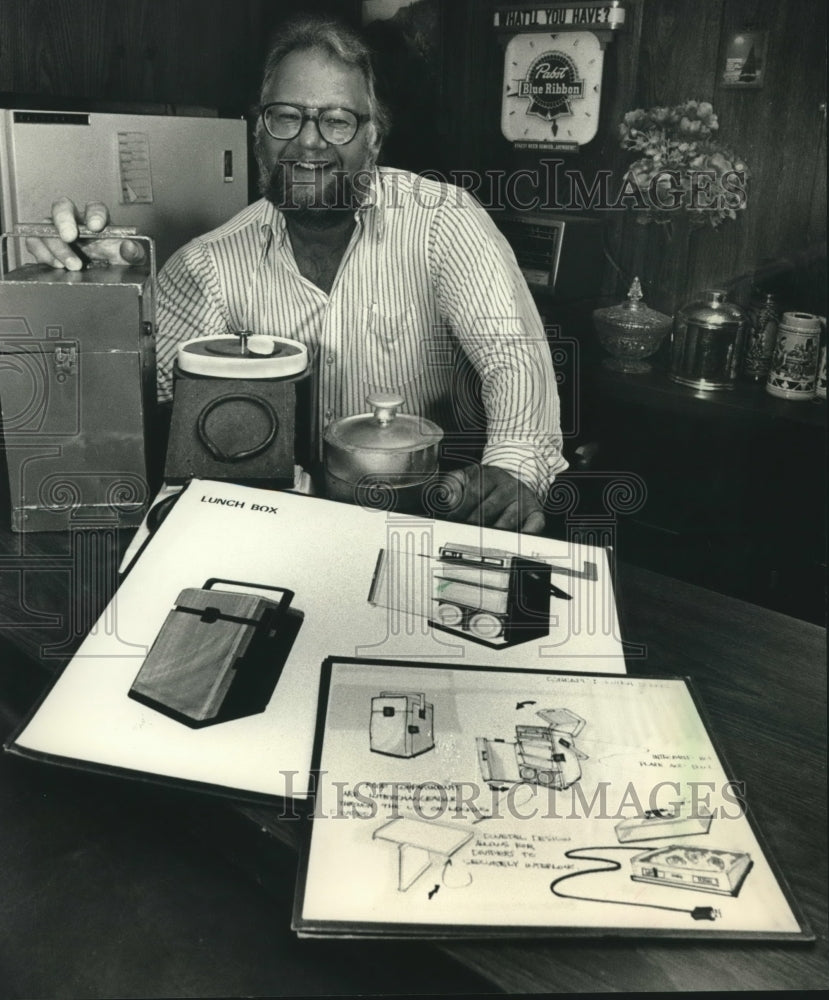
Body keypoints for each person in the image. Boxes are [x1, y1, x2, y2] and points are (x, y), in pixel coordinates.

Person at [27, 15, 566, 534]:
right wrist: (92, 301)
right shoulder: (207, 265)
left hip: (426, 518)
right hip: (274, 530)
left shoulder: (442, 222)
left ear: (372, 140)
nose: (309, 142)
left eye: (336, 120)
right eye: (287, 116)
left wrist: (513, 471)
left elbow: (512, 355)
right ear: (260, 133)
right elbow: (127, 407)